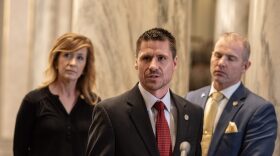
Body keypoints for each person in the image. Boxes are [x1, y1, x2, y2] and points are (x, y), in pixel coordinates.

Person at [86, 28, 203, 156]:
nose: (153, 66)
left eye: (161, 58)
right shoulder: (110, 113)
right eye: (146, 58)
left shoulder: (193, 114)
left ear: (174, 63)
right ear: (136, 62)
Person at [186, 32, 278, 156]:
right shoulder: (191, 98)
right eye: (218, 55)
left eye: (230, 58)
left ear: (245, 66)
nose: (221, 63)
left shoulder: (259, 110)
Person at [13, 32, 100, 156]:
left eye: (80, 57)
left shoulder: (94, 104)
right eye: (67, 55)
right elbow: (19, 151)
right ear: (56, 61)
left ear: (85, 67)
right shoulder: (33, 101)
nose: (73, 63)